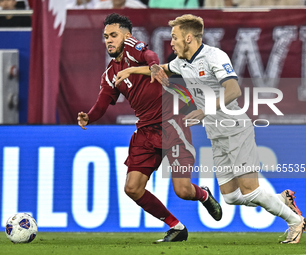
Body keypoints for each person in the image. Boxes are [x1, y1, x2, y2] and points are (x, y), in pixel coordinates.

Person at [115, 14, 306, 244]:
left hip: (236, 129)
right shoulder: (181, 63)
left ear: (188, 38)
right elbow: (160, 70)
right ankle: (283, 199)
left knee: (251, 190)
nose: (171, 42)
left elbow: (234, 90)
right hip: (217, 135)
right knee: (232, 197)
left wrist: (205, 110)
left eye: (174, 37)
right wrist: (130, 71)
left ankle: (295, 221)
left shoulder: (214, 56)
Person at [77, 13, 222, 242]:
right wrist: (89, 117)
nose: (109, 41)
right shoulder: (110, 74)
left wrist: (154, 66)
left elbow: (149, 54)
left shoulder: (134, 50)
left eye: (113, 35)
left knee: (183, 191)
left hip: (171, 124)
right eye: (106, 37)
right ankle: (176, 227)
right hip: (146, 131)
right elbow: (102, 102)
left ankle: (203, 195)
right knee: (132, 188)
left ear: (126, 37)